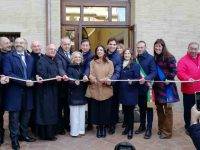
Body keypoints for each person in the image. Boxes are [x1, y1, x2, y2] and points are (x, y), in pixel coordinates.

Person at [3, 38, 36, 150]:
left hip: (28, 91)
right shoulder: (8, 57)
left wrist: (32, 80)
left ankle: (24, 135)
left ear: (25, 45)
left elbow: (33, 74)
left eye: (21, 43)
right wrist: (24, 81)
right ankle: (14, 140)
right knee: (14, 117)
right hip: (14, 92)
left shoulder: (30, 58)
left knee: (26, 115)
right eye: (16, 43)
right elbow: (8, 73)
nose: (18, 44)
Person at [153, 39, 179, 139]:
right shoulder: (155, 58)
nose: (157, 48)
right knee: (159, 110)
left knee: (168, 111)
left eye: (159, 46)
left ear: (163, 47)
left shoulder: (170, 57)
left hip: (168, 88)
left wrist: (169, 78)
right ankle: (161, 129)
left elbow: (174, 71)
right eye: (156, 46)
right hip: (157, 88)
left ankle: (167, 132)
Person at [35, 44, 62, 141]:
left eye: (54, 49)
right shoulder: (42, 61)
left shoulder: (54, 60)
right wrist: (55, 77)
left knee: (52, 112)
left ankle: (51, 132)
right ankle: (46, 135)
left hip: (53, 90)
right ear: (46, 50)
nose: (53, 51)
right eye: (50, 49)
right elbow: (42, 75)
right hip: (45, 91)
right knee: (46, 112)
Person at [86, 45, 114, 138]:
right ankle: (99, 128)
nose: (99, 51)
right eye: (98, 50)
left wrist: (106, 79)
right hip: (96, 88)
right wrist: (92, 78)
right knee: (97, 110)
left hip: (106, 89)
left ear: (104, 51)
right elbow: (91, 73)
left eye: (101, 50)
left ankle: (103, 128)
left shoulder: (110, 62)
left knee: (105, 110)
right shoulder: (92, 62)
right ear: (96, 52)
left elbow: (111, 74)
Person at [135, 41, 157, 139]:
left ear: (145, 47)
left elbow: (154, 72)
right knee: (141, 109)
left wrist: (146, 78)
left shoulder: (151, 58)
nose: (139, 49)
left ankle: (149, 129)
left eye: (141, 47)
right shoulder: (136, 59)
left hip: (149, 89)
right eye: (138, 47)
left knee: (149, 109)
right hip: (139, 89)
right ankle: (142, 126)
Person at [177, 42, 200, 134]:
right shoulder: (183, 60)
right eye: (191, 49)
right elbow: (179, 73)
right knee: (188, 109)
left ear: (198, 49)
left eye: (195, 49)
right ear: (188, 49)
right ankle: (188, 126)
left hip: (199, 90)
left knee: (199, 109)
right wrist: (187, 78)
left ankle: (197, 126)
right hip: (188, 90)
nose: (193, 51)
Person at [118, 48, 140, 139]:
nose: (126, 55)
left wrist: (133, 81)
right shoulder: (120, 64)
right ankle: (127, 128)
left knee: (130, 112)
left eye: (128, 53)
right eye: (125, 53)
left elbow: (137, 77)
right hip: (123, 91)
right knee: (125, 111)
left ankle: (130, 130)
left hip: (131, 92)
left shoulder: (135, 65)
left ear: (131, 55)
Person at [67, 51, 88, 137]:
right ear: (72, 59)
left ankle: (81, 130)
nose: (78, 59)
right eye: (76, 57)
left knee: (82, 113)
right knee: (74, 114)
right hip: (73, 93)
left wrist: (85, 78)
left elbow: (85, 77)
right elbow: (67, 80)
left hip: (82, 93)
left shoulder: (82, 68)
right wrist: (73, 82)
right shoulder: (69, 68)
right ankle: (74, 132)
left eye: (79, 57)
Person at [56, 37, 72, 134]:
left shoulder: (73, 53)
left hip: (71, 86)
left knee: (68, 107)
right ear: (61, 45)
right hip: (62, 86)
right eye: (65, 44)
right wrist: (64, 75)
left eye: (68, 44)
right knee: (60, 108)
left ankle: (67, 124)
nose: (67, 46)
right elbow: (59, 67)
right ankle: (60, 127)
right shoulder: (58, 54)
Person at [107, 37, 122, 135]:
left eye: (114, 44)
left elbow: (118, 71)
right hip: (103, 84)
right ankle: (105, 122)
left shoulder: (118, 57)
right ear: (107, 45)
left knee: (113, 106)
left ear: (116, 46)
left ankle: (112, 125)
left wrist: (111, 80)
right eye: (110, 44)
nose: (112, 46)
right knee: (106, 105)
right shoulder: (103, 54)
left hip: (114, 85)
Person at [29, 40, 43, 134]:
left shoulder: (43, 56)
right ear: (31, 48)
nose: (37, 48)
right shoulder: (29, 58)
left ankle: (40, 127)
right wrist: (35, 77)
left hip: (43, 86)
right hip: (34, 87)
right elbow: (29, 72)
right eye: (34, 46)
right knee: (34, 108)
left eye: (38, 46)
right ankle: (34, 129)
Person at [80, 39, 94, 131]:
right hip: (79, 82)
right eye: (83, 45)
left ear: (89, 46)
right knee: (81, 103)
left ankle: (90, 123)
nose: (85, 47)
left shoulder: (92, 55)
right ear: (81, 46)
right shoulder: (78, 54)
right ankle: (81, 122)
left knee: (90, 104)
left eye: (87, 45)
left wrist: (85, 75)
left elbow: (89, 67)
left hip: (88, 83)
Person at [0, 37, 12, 145]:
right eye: (6, 43)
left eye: (9, 42)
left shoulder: (12, 54)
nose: (9, 44)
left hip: (10, 89)